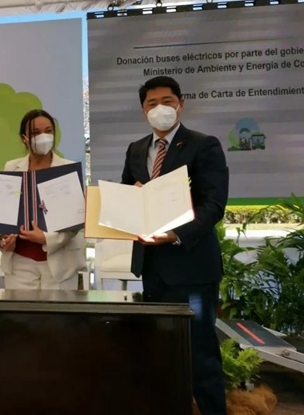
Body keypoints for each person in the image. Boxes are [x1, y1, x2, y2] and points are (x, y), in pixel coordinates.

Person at [120, 76, 229, 415]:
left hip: (192, 267)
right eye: (152, 104)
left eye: (167, 101)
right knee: (160, 351)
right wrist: (127, 205)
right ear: (143, 111)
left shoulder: (203, 145)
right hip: (152, 267)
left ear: (181, 104)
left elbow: (214, 205)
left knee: (200, 354)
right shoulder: (136, 149)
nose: (160, 109)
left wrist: (177, 234)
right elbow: (128, 195)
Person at [0, 109, 86, 290]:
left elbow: (75, 221)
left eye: (48, 131)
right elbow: (0, 213)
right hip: (19, 262)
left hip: (60, 264)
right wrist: (2, 240)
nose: (43, 136)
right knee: (21, 310)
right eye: (36, 132)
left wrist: (46, 238)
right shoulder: (11, 167)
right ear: (24, 138)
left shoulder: (68, 169)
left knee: (57, 310)